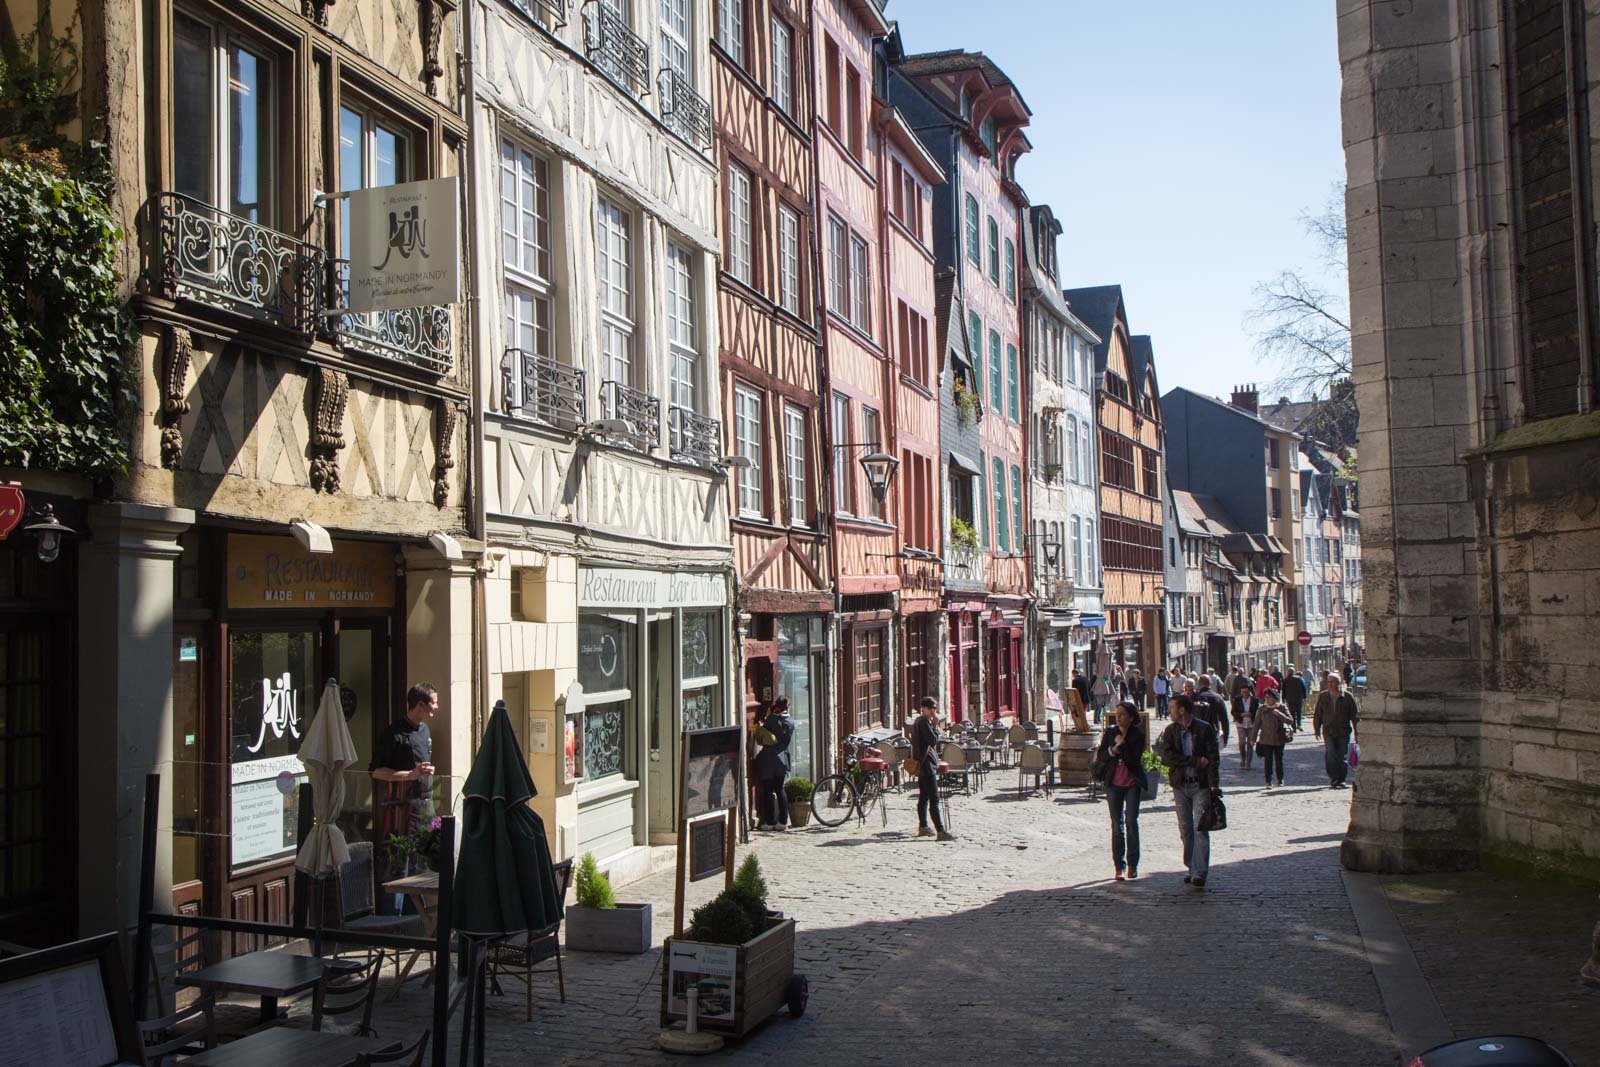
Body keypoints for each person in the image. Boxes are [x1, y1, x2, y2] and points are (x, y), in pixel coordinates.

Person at [372, 683, 439, 912]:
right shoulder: (394, 734)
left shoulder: (425, 730)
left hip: (424, 810)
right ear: (420, 704)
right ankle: (394, 920)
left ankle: (415, 920)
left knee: (419, 868)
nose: (436, 707)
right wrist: (410, 774)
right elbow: (376, 771)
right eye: (433, 702)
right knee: (399, 866)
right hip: (401, 813)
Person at [1156, 694, 1220, 888]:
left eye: (1172, 708)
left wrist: (1214, 785)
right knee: (1185, 829)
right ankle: (1191, 866)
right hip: (1180, 784)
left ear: (1182, 710)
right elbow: (1167, 757)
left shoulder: (1204, 729)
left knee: (1200, 828)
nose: (1169, 711)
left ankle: (1199, 872)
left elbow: (1213, 759)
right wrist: (1194, 761)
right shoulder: (1170, 731)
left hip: (1200, 785)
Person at [1096, 701, 1147, 880]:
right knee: (1116, 825)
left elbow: (1134, 759)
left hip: (1131, 782)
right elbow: (1101, 755)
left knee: (1131, 822)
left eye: (1122, 714)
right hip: (1113, 783)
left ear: (1131, 717)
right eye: (1116, 714)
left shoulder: (1138, 735)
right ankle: (1119, 866)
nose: (1118, 718)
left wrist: (1122, 745)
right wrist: (1112, 750)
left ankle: (1133, 864)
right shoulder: (1110, 732)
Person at [911, 697, 955, 841]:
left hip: (923, 764)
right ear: (924, 708)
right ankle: (940, 831)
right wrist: (935, 726)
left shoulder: (918, 721)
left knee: (923, 797)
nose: (933, 712)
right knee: (934, 799)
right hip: (927, 766)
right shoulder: (923, 722)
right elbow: (933, 740)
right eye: (931, 709)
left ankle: (923, 826)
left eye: (934, 709)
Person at [753, 698, 794, 829]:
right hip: (781, 758)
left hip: (768, 759)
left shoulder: (771, 719)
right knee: (780, 789)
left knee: (768, 790)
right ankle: (783, 821)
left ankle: (769, 821)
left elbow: (762, 734)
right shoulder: (790, 722)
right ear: (787, 707)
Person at [1314, 674, 1360, 789]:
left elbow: (1354, 716)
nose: (1329, 684)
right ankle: (1334, 778)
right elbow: (1318, 714)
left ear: (1338, 683)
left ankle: (1341, 779)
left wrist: (1357, 732)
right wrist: (1317, 728)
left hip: (1343, 731)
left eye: (1332, 682)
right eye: (1328, 682)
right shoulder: (1323, 696)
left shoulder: (1347, 697)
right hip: (1328, 730)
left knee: (1341, 755)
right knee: (1330, 753)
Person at [1255, 688, 1294, 789]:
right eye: (1266, 697)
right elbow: (1256, 724)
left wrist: (1280, 714)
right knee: (1268, 761)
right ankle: (1268, 781)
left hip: (1279, 739)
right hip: (1266, 739)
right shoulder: (1262, 709)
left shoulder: (1281, 707)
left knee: (1279, 760)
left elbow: (1290, 721)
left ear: (1274, 698)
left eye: (1269, 697)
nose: (1267, 699)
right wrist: (1252, 738)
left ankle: (1280, 779)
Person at [1193, 675, 1230, 748]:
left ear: (1199, 684)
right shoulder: (1218, 698)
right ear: (1210, 683)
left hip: (1198, 733)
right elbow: (1224, 719)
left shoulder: (1195, 698)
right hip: (1213, 731)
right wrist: (1225, 738)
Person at [1232, 683, 1261, 770]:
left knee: (1250, 743)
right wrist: (1241, 714)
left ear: (1249, 692)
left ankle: (1248, 762)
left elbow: (1258, 712)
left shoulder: (1255, 700)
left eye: (1246, 692)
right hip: (1240, 723)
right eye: (1243, 692)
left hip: (1251, 724)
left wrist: (1251, 714)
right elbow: (1233, 712)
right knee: (1241, 743)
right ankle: (1242, 758)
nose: (1244, 694)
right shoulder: (1237, 700)